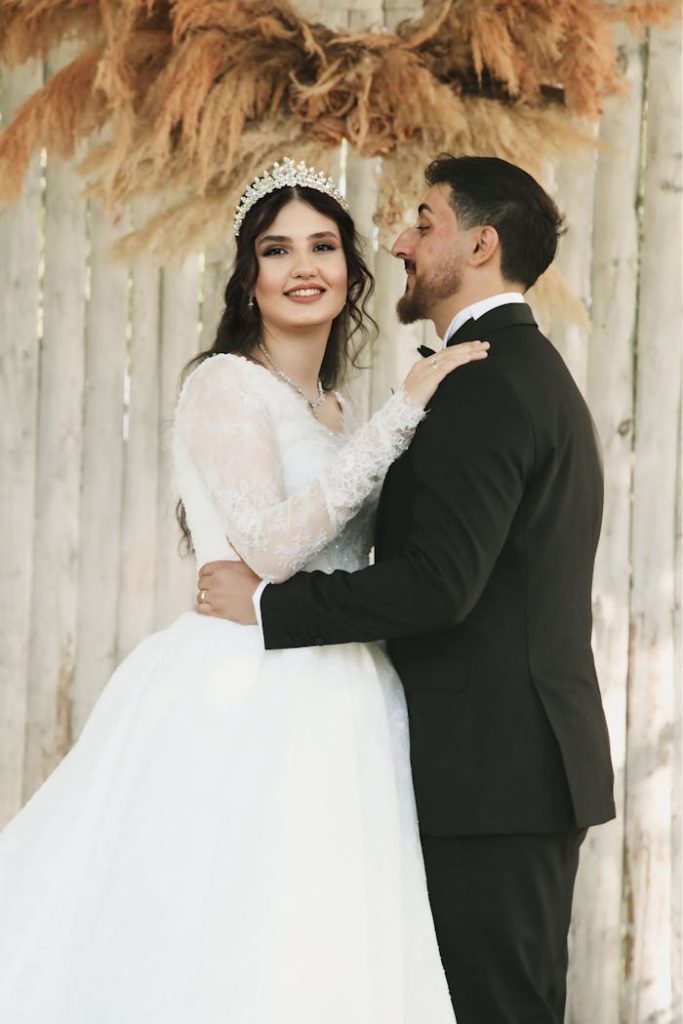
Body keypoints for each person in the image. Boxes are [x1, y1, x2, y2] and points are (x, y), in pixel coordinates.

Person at [0, 157, 490, 1023]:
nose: (303, 267)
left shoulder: (335, 410)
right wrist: (400, 418)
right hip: (245, 687)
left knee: (332, 934)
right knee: (225, 925)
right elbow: (267, 547)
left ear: (349, 270)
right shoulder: (222, 384)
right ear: (248, 276)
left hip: (351, 690)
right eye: (277, 249)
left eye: (323, 246)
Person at [198, 155, 617, 1024]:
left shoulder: (485, 382)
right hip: (488, 769)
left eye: (422, 223)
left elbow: (437, 586)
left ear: (478, 243)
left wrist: (270, 606)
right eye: (277, 251)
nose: (399, 241)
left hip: (492, 777)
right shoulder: (509, 371)